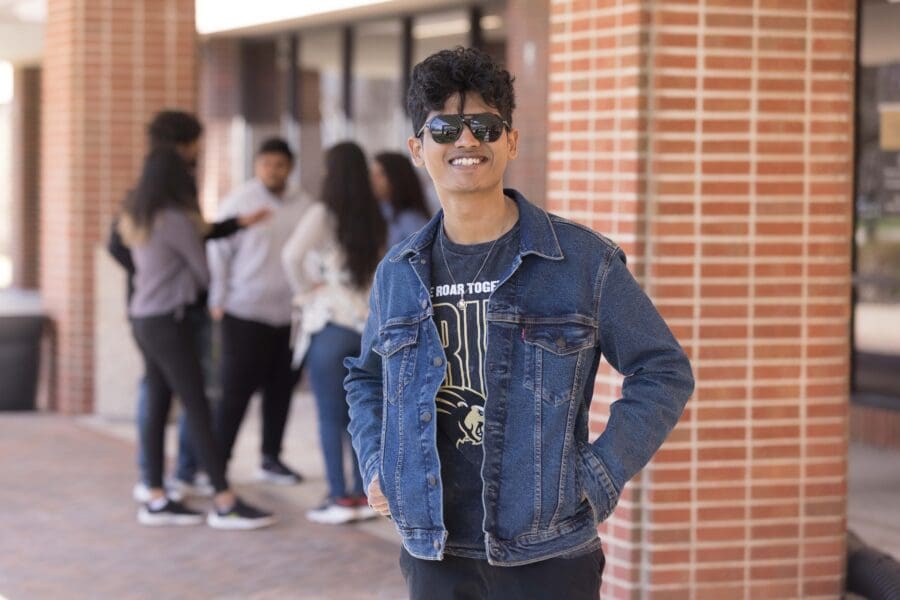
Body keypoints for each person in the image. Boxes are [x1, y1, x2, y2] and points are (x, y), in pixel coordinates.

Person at [344, 47, 695, 599]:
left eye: (484, 125)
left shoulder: (582, 261)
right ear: (418, 148)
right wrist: (374, 463)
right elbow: (365, 379)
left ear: (510, 140)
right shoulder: (398, 271)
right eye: (445, 128)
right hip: (433, 549)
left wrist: (597, 476)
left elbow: (663, 370)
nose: (466, 141)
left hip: (548, 550)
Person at [107, 110, 267, 504]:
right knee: (195, 401)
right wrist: (164, 278)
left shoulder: (140, 207)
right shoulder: (175, 213)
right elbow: (200, 267)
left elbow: (129, 246)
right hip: (171, 314)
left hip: (146, 313)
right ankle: (223, 497)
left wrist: (149, 275)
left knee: (159, 396)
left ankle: (156, 490)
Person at [281, 141, 385, 525]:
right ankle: (362, 494)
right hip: (364, 326)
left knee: (329, 417)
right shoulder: (375, 214)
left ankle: (338, 498)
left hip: (329, 326)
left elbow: (291, 256)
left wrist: (307, 289)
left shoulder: (323, 212)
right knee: (363, 414)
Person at [208, 138, 310, 485]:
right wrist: (217, 299)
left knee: (281, 390)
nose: (273, 170)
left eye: (279, 164)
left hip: (290, 315)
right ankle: (216, 464)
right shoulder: (239, 202)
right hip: (244, 311)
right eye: (266, 164)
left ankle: (270, 458)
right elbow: (218, 254)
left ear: (290, 167)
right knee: (234, 392)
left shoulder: (304, 205)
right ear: (257, 166)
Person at [370, 151, 431, 247]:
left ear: (396, 177)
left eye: (380, 174)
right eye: (372, 174)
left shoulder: (411, 221)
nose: (373, 179)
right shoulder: (378, 211)